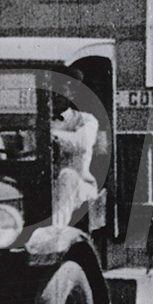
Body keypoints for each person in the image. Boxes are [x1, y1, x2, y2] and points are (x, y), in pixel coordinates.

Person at [51, 73, 99, 227]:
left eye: (63, 89)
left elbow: (81, 142)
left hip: (80, 185)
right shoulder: (37, 120)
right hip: (44, 184)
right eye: (54, 89)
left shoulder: (86, 120)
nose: (56, 94)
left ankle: (55, 232)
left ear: (72, 93)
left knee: (67, 176)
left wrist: (46, 136)